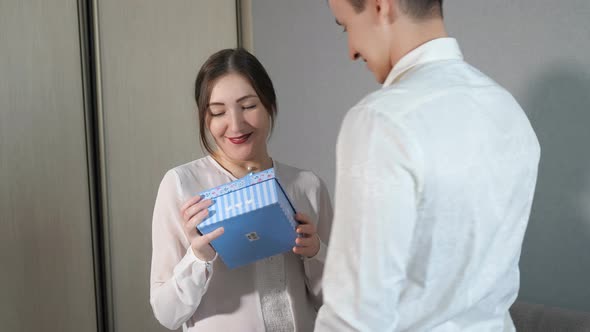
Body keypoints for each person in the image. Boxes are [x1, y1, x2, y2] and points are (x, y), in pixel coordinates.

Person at [315, 0, 540, 331]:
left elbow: (355, 317)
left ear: (381, 6)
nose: (351, 50)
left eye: (346, 26)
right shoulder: (508, 111)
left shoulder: (381, 121)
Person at [150, 48, 333, 331]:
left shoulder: (307, 186)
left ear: (269, 104)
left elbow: (335, 303)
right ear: (205, 118)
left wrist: (315, 252)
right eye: (218, 112)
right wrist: (198, 259)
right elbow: (166, 313)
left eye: (248, 106)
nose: (235, 124)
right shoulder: (181, 185)